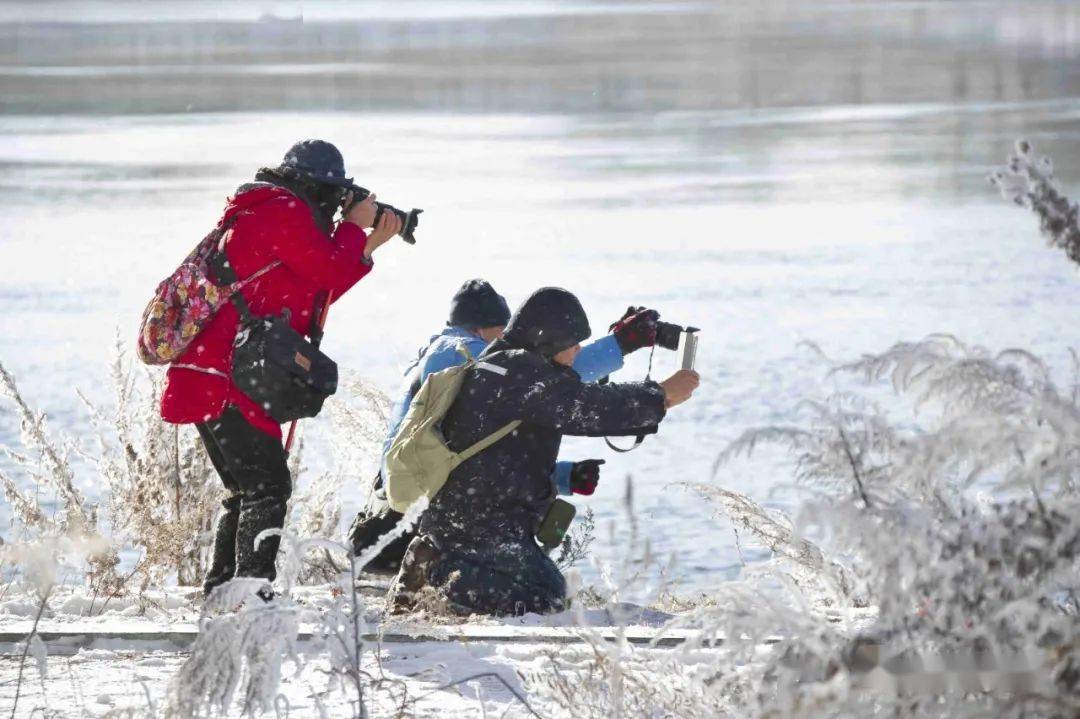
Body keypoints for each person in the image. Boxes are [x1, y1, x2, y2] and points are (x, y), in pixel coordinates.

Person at [160, 139, 402, 596]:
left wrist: (365, 246)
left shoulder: (272, 211)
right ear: (317, 186)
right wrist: (352, 228)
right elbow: (328, 272)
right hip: (225, 374)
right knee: (267, 486)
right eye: (336, 194)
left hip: (215, 371)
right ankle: (251, 593)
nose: (337, 204)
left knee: (247, 487)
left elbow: (316, 293)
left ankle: (225, 591)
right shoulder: (279, 212)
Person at [389, 287, 699, 616]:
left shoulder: (501, 363)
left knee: (549, 591)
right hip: (482, 530)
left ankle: (437, 563)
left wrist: (563, 477)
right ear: (547, 339)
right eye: (573, 342)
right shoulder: (520, 372)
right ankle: (441, 579)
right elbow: (586, 407)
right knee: (547, 599)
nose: (578, 350)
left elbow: (506, 454)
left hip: (468, 519)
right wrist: (660, 395)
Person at [349, 278, 662, 571]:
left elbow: (466, 452)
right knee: (536, 586)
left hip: (390, 513)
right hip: (406, 523)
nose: (517, 347)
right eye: (506, 334)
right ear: (486, 330)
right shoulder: (467, 353)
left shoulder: (436, 356)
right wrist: (620, 344)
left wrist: (563, 476)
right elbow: (543, 384)